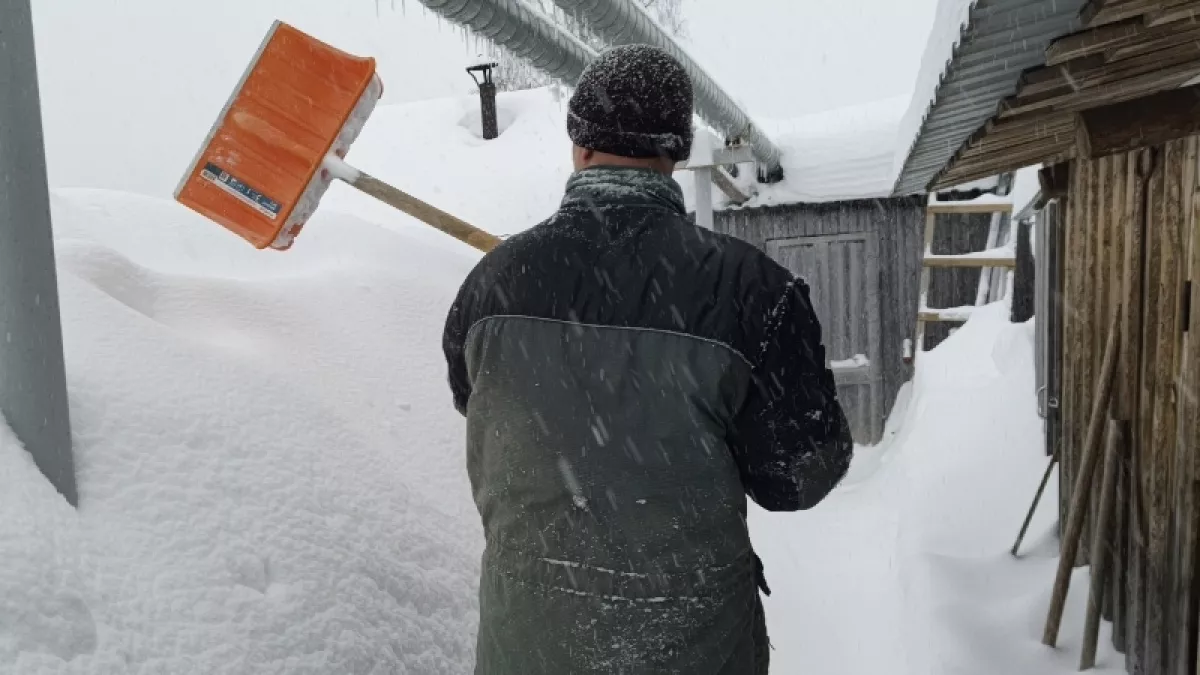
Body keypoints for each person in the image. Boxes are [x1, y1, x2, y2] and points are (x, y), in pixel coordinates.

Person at [442, 43, 853, 675]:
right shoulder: (753, 293)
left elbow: (478, 409)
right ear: (679, 151)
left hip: (524, 649)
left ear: (578, 144)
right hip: (691, 648)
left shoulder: (489, 286)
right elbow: (801, 478)